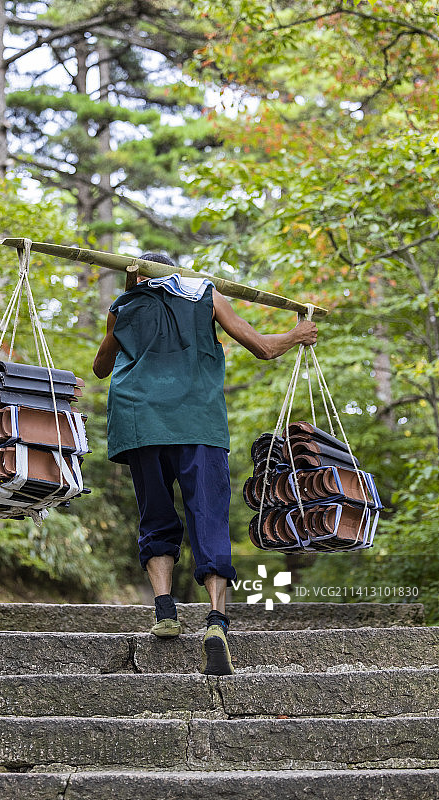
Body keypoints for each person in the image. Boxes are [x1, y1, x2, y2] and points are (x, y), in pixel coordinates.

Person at [93, 253, 318, 675]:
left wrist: (121, 318)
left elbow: (101, 367)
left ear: (139, 276)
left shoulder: (124, 307)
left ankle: (164, 611)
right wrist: (298, 333)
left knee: (155, 515)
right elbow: (264, 349)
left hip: (141, 422)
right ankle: (216, 620)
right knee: (208, 515)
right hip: (197, 421)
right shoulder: (206, 296)